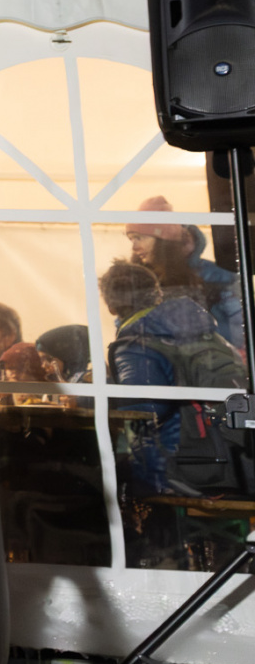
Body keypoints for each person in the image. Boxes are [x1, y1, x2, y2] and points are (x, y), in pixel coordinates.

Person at [100, 259, 244, 495]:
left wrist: (99, 389)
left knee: (98, 479)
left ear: (111, 307)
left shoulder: (137, 342)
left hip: (180, 468)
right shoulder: (199, 330)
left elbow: (145, 409)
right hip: (231, 453)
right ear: (157, 295)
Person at [127, 196, 244, 348]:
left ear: (162, 239)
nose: (134, 248)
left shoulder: (218, 276)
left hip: (211, 357)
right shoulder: (138, 280)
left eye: (139, 238)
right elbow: (126, 328)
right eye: (131, 239)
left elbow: (240, 329)